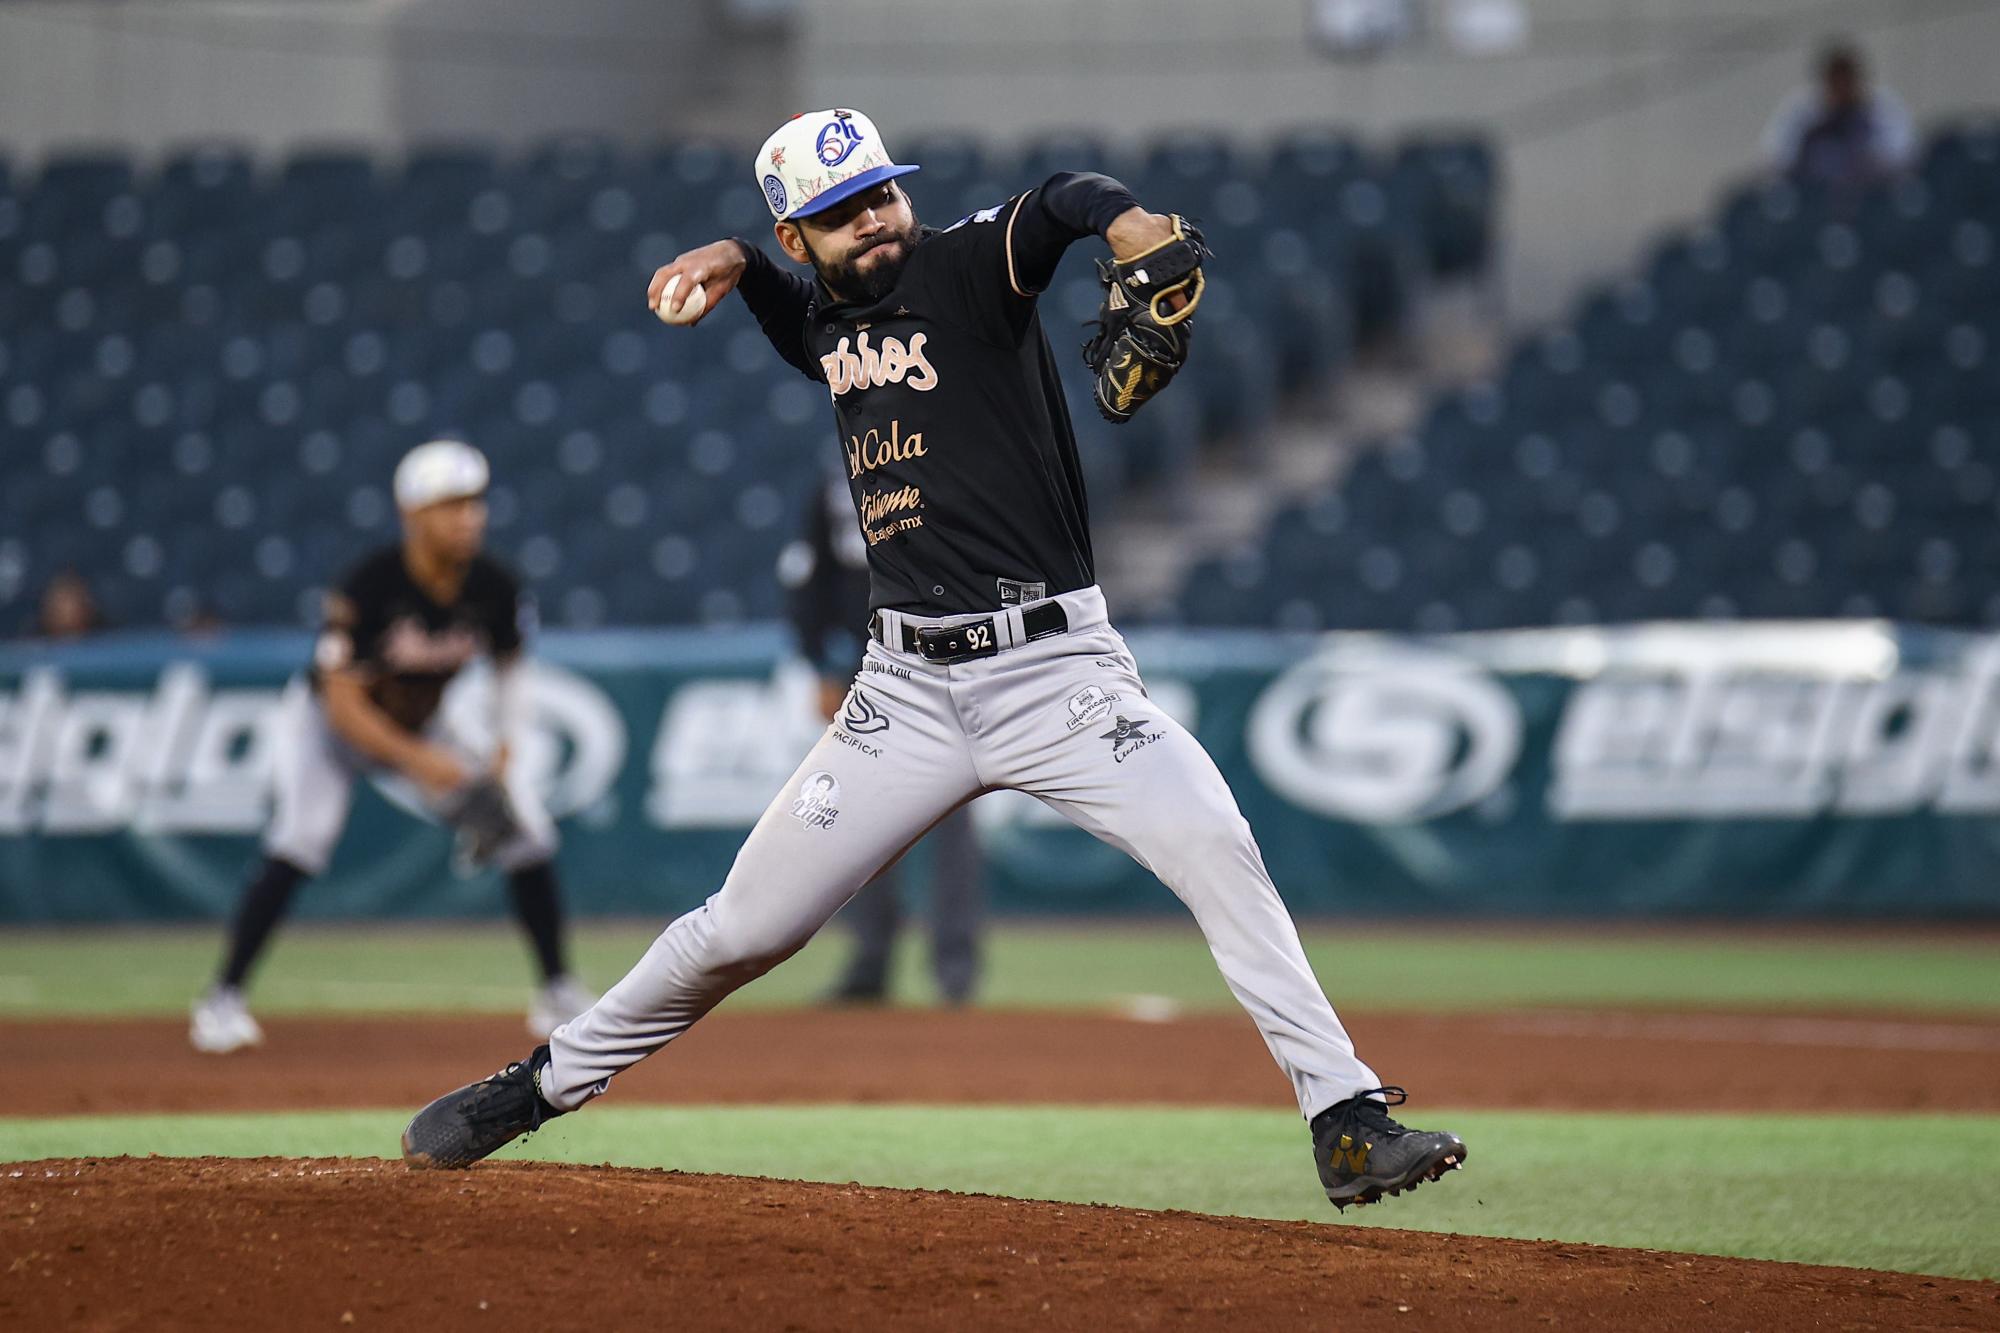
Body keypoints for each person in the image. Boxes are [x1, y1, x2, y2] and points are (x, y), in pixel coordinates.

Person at [404, 109, 1466, 1210]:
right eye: (839, 212)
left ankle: (1345, 1119)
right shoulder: (824, 318)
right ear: (799, 237)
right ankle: (540, 1085)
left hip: (1054, 675)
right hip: (902, 694)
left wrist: (1125, 222)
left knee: (1212, 839)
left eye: (880, 192)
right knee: (742, 929)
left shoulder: (967, 267)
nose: (872, 219)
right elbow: (799, 322)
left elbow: (1057, 200)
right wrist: (739, 262)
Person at [189, 440, 595, 1053]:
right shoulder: (371, 585)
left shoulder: (494, 585)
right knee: (301, 838)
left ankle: (557, 990)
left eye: (474, 503)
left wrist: (506, 743)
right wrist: (421, 764)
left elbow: (510, 667)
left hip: (424, 725)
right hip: (328, 729)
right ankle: (222, 1000)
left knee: (527, 834)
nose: (469, 517)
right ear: (413, 514)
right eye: (451, 505)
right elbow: (342, 704)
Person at [779, 473, 985, 1005]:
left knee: (952, 818)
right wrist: (818, 664)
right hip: (866, 664)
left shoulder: (945, 462)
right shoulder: (837, 480)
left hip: (949, 661)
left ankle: (955, 968)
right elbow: (812, 577)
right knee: (861, 816)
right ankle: (871, 961)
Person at [1763, 40, 1914, 190]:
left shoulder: (1880, 108)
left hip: (1871, 191)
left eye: (1846, 80)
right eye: (1836, 80)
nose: (1841, 87)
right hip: (1813, 192)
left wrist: (1865, 149)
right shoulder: (1803, 111)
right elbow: (1774, 157)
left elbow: (1905, 154)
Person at [33, 569, 105, 639]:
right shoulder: (34, 642)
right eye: (60, 599)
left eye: (68, 598)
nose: (62, 608)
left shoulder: (104, 637)